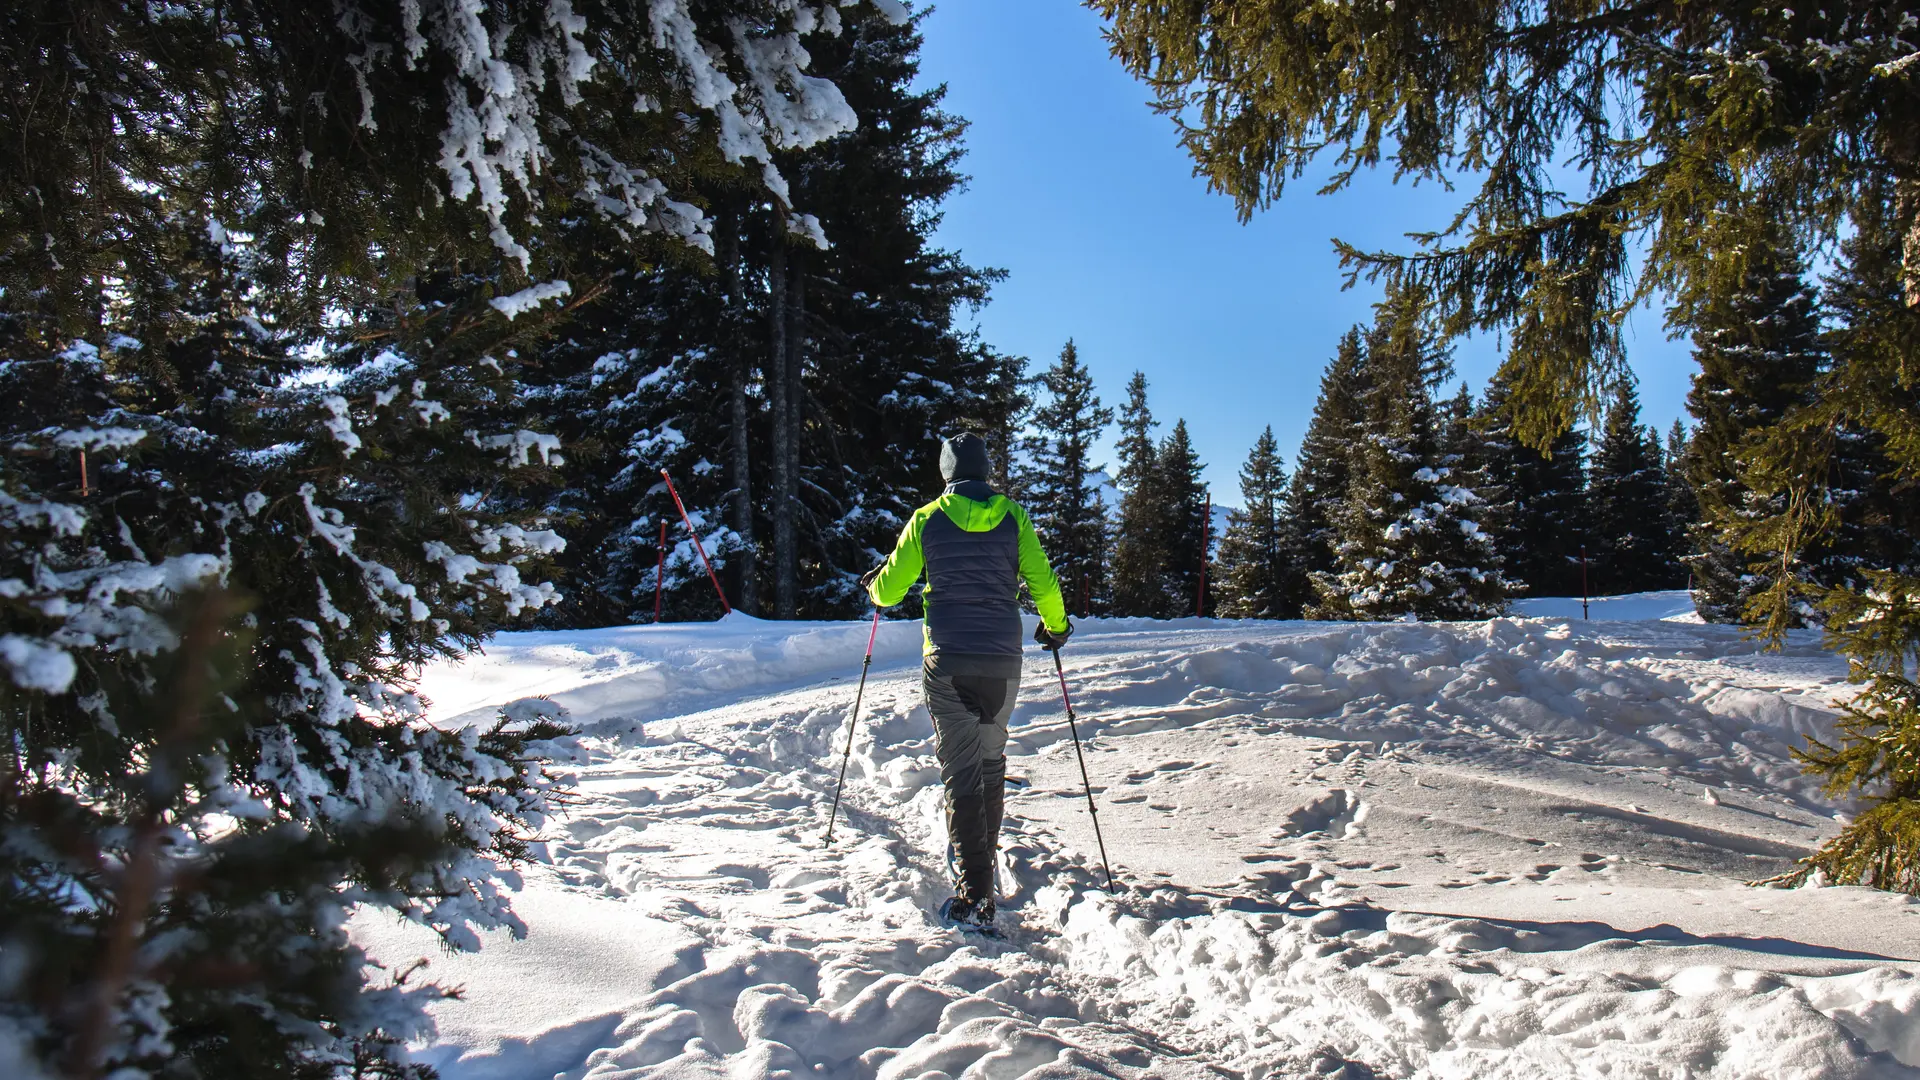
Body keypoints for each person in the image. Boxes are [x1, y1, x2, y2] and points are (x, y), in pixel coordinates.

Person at [864, 432, 1073, 927]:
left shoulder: (928, 518)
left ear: (947, 472)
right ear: (985, 470)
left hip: (949, 659)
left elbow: (890, 591)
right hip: (1003, 658)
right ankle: (983, 873)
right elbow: (1042, 580)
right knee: (989, 762)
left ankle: (975, 892)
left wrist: (875, 587)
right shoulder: (1013, 515)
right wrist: (1057, 626)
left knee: (961, 770)